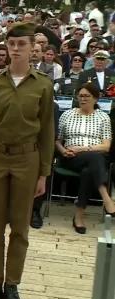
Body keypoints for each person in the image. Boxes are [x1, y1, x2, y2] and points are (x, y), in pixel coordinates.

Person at [0, 22, 54, 299]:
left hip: (26, 159)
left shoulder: (43, 84)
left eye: (22, 45)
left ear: (33, 48)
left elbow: (46, 131)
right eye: (12, 44)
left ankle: (12, 285)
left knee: (20, 228)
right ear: (6, 47)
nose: (16, 50)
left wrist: (44, 173)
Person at [57, 83, 114, 234]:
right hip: (71, 158)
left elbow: (106, 146)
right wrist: (63, 151)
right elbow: (58, 141)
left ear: (95, 99)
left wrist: (83, 148)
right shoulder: (67, 115)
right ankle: (106, 197)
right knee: (93, 160)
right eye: (80, 96)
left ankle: (79, 216)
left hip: (96, 157)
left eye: (86, 96)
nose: (82, 99)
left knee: (89, 169)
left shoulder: (103, 117)